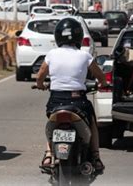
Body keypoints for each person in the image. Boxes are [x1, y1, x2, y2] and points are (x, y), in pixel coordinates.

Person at [35, 18, 108, 172]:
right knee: (93, 123)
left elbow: (40, 75)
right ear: (79, 37)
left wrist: (41, 85)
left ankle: (48, 155)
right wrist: (104, 83)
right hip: (78, 102)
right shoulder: (85, 55)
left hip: (56, 101)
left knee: (52, 123)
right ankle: (95, 157)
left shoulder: (52, 54)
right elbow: (100, 75)